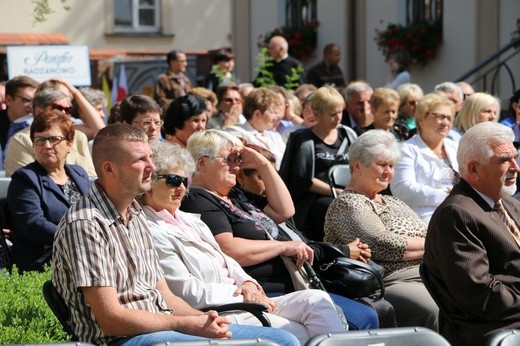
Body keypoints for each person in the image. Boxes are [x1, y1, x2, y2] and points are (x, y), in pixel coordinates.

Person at [52, 124, 299, 346]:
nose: (151, 166)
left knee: (284, 337)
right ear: (109, 169)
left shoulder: (135, 214)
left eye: (150, 157)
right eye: (140, 160)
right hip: (123, 339)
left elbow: (166, 296)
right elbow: (111, 320)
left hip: (161, 328)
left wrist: (205, 321)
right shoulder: (86, 224)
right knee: (278, 341)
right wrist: (183, 324)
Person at [140, 140, 348, 344]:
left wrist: (248, 283)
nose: (182, 188)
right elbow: (186, 291)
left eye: (185, 181)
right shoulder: (151, 229)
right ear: (149, 183)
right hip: (220, 308)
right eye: (174, 180)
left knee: (317, 301)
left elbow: (227, 261)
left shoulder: (189, 221)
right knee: (296, 334)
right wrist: (243, 296)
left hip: (245, 298)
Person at [180, 129, 378, 331]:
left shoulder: (236, 195)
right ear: (202, 163)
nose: (236, 166)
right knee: (362, 318)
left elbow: (284, 210)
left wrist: (263, 165)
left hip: (295, 283)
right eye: (229, 159)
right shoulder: (199, 199)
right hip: (264, 290)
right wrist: (282, 247)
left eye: (238, 158)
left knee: (371, 313)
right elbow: (229, 249)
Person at [324, 129, 438, 330]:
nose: (389, 172)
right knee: (436, 309)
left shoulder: (394, 201)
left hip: (429, 271)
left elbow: (428, 234)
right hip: (390, 280)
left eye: (392, 166)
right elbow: (382, 244)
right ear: (358, 166)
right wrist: (438, 245)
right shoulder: (348, 203)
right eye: (382, 165)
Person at [423, 121, 520, 346]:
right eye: (505, 160)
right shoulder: (455, 215)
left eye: (515, 157)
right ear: (474, 168)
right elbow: (480, 295)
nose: (515, 167)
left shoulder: (509, 204)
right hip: (492, 327)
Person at [7, 110, 91, 272]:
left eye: (54, 139)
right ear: (33, 145)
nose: (46, 146)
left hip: (85, 256)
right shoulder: (25, 179)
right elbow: (34, 225)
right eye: (40, 140)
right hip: (46, 262)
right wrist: (77, 237)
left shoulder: (79, 174)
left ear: (69, 143)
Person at [280, 86, 358, 241]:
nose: (338, 118)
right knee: (338, 208)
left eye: (340, 112)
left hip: (347, 193)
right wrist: (336, 192)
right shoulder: (303, 139)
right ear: (317, 114)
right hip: (314, 199)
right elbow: (303, 180)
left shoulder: (348, 135)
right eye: (332, 114)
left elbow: (360, 166)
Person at [390, 92, 459, 223]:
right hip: (424, 216)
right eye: (440, 116)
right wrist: (444, 195)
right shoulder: (407, 150)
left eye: (449, 118)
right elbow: (401, 188)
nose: (445, 122)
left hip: (460, 209)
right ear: (421, 119)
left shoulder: (455, 147)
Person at [4, 88, 96, 177]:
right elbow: (24, 181)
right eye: (59, 108)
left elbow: (90, 177)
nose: (64, 113)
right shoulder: (21, 141)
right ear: (38, 111)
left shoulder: (78, 137)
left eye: (68, 109)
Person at [225, 88, 286, 169]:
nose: (276, 117)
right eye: (272, 112)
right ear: (257, 114)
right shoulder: (235, 132)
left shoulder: (275, 136)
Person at [0, 76, 39, 162]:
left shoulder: (39, 125)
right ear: (9, 100)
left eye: (35, 101)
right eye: (26, 100)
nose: (32, 105)